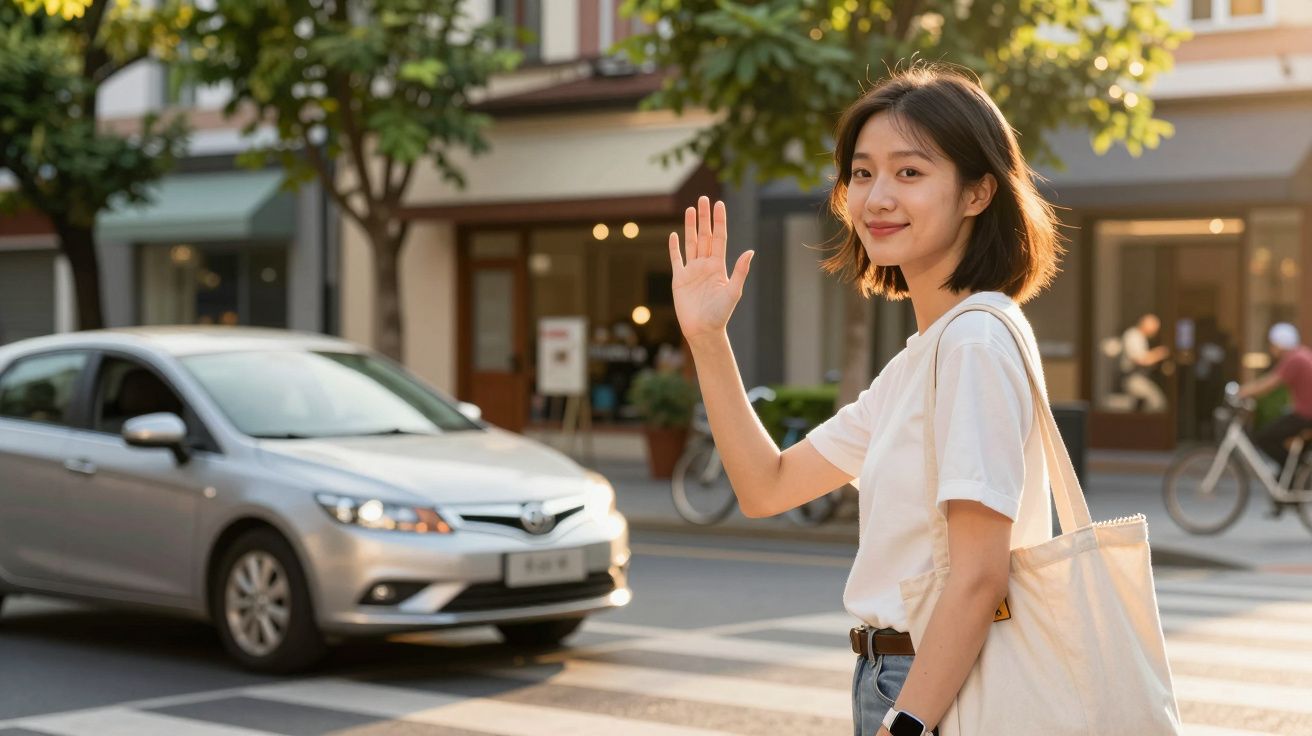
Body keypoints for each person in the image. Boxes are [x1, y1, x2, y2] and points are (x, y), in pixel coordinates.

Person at [668, 63, 1063, 736]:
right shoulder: (923, 358)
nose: (877, 196)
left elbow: (978, 576)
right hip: (898, 677)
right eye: (861, 173)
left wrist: (907, 723)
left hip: (932, 687)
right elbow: (767, 488)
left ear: (977, 193)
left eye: (910, 173)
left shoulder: (972, 344)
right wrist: (708, 338)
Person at [1236, 322, 1312, 517]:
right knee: (1293, 455)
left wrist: (1242, 392)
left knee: (1264, 437)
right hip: (1305, 413)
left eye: (1273, 344)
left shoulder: (1294, 358)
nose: (1271, 349)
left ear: (1280, 344)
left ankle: (1295, 480)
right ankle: (1287, 494)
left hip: (1306, 415)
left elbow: (1270, 383)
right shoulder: (1302, 355)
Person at [1119, 313, 1170, 413]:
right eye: (1154, 328)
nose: (1155, 332)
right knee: (1157, 403)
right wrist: (1159, 353)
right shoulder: (1132, 336)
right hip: (1132, 378)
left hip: (1139, 378)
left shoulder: (1140, 337)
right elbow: (1140, 359)